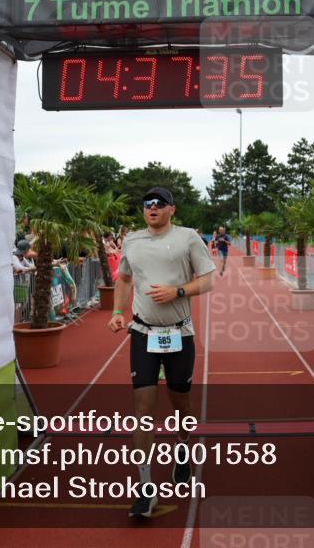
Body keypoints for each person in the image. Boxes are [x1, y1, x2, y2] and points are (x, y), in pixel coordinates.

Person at [108, 187, 216, 518]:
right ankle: (144, 488)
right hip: (142, 332)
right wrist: (117, 311)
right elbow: (124, 278)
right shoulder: (132, 241)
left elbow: (208, 280)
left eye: (159, 204)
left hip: (179, 332)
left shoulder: (187, 238)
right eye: (147, 204)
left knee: (180, 400)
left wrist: (178, 291)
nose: (152, 208)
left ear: (171, 209)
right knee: (143, 407)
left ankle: (183, 445)